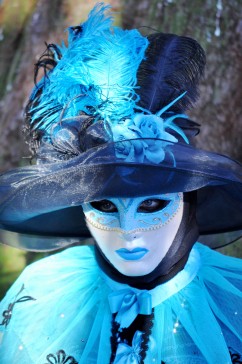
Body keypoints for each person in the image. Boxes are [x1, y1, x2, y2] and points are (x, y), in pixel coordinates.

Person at [0, 3, 242, 363]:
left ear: (188, 199)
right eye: (104, 206)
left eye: (151, 205)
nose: (128, 231)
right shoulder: (44, 292)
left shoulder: (234, 300)